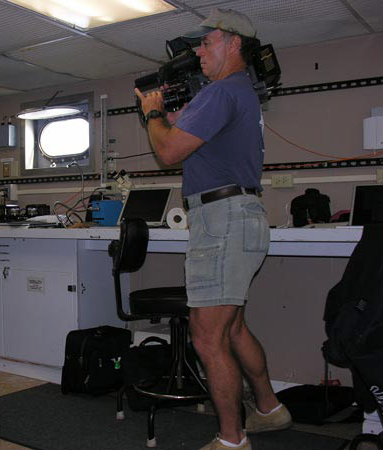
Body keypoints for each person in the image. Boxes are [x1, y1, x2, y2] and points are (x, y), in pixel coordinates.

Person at [135, 8, 291, 450]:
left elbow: (168, 151)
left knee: (207, 336)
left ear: (234, 43)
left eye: (207, 42)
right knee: (233, 329)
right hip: (237, 215)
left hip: (221, 219)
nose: (198, 51)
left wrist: (152, 113)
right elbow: (184, 138)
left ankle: (230, 438)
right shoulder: (237, 93)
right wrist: (173, 115)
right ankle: (269, 409)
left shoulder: (222, 92)